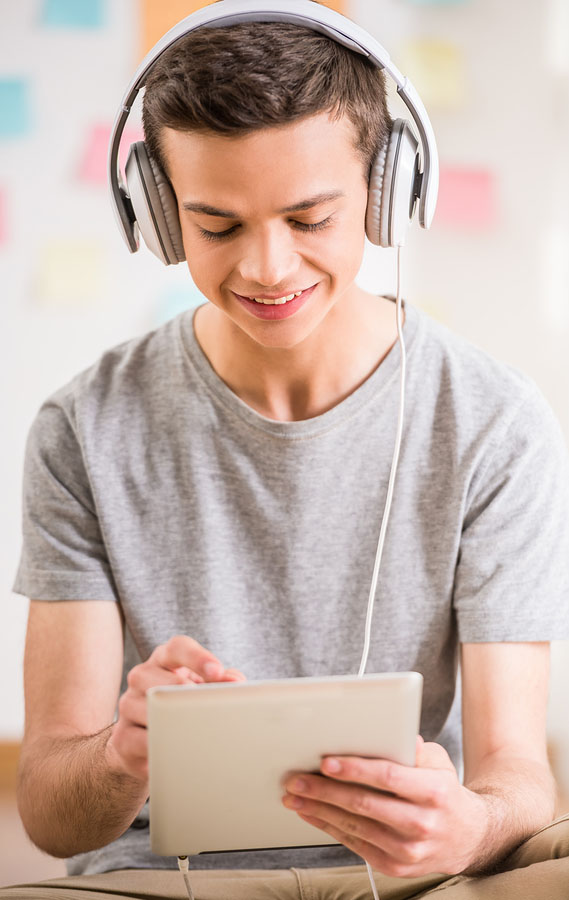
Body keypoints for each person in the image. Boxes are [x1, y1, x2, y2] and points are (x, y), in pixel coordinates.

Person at [5, 6, 569, 900]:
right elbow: (47, 814)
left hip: (409, 876)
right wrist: (120, 755)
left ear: (386, 191)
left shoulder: (495, 421)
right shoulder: (83, 428)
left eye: (309, 217)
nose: (267, 267)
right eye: (217, 226)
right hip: (163, 877)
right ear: (156, 213)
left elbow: (516, 778)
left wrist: (471, 823)